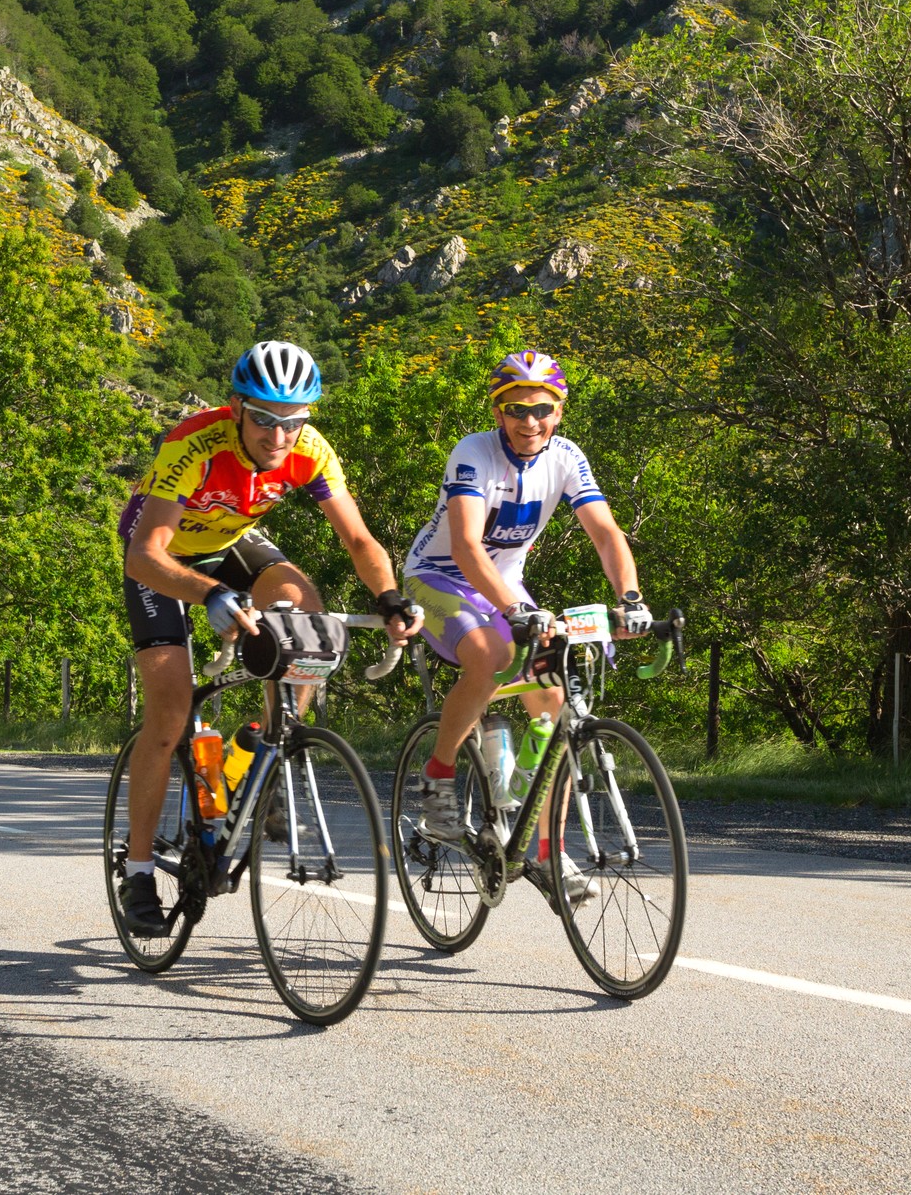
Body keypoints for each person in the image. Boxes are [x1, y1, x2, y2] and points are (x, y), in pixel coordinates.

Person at [115, 339, 423, 937]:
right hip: (162, 558)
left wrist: (389, 598)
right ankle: (139, 869)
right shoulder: (194, 444)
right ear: (236, 407)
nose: (279, 436)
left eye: (293, 421)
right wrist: (206, 595)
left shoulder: (309, 451)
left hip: (230, 541)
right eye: (264, 419)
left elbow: (358, 540)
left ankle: (259, 749)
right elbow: (145, 555)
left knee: (305, 610)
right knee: (171, 715)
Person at [399, 350, 657, 903]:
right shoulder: (473, 453)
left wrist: (629, 597)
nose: (529, 420)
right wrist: (515, 612)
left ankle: (543, 850)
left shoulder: (566, 456)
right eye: (516, 408)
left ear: (558, 411)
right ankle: (438, 776)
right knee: (493, 655)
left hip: (505, 583)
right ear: (499, 411)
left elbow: (607, 534)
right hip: (439, 577)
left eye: (542, 408)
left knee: (554, 699)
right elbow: (467, 547)